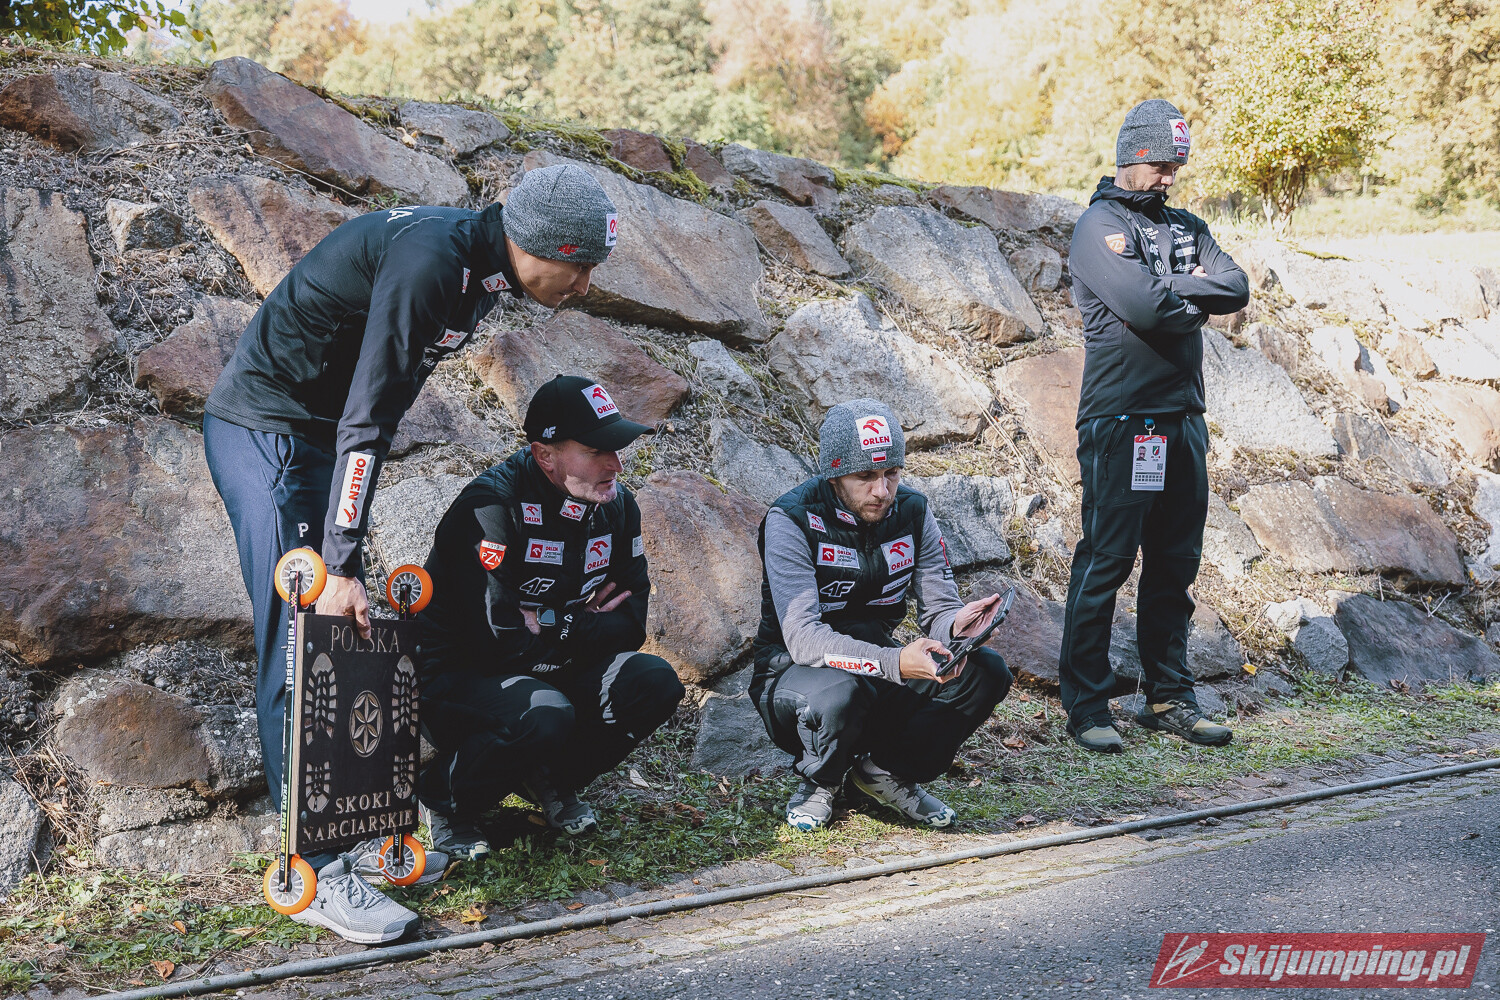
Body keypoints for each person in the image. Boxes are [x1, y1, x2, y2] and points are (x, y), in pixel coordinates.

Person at [202, 163, 619, 942]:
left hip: (318, 439)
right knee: (304, 640)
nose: (586, 285)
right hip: (270, 432)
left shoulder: (481, 271)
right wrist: (341, 562)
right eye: (581, 266)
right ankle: (313, 871)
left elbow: (374, 408)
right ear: (539, 245)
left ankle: (350, 834)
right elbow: (370, 416)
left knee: (346, 642)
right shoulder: (434, 260)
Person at [412, 375, 685, 859]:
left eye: (617, 448)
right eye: (597, 451)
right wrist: (579, 625)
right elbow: (494, 642)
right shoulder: (492, 506)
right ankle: (445, 801)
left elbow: (631, 626)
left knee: (654, 681)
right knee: (547, 711)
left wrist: (557, 622)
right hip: (457, 679)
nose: (616, 464)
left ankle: (548, 780)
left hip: (550, 662)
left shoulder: (618, 506)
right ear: (545, 455)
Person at [1060, 99, 1250, 754]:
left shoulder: (1187, 225)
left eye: (1177, 166)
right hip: (1122, 421)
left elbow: (1235, 286)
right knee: (1106, 562)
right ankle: (1087, 705)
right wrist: (1188, 290)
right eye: (1163, 164)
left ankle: (1168, 697)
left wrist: (1174, 288)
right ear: (1134, 155)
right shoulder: (1099, 227)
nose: (1171, 176)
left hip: (1183, 420)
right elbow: (1146, 307)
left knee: (1175, 564)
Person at [750, 399, 1014, 832]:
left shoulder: (913, 511)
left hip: (877, 663)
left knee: (985, 671)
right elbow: (803, 638)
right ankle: (821, 781)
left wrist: (957, 626)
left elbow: (939, 608)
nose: (882, 491)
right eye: (865, 476)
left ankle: (882, 774)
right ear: (833, 474)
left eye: (892, 473)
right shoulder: (791, 518)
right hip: (794, 672)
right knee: (839, 692)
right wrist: (894, 662)